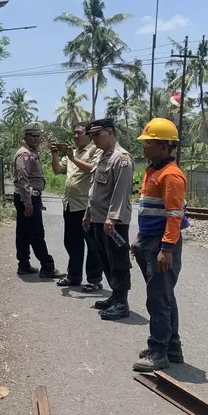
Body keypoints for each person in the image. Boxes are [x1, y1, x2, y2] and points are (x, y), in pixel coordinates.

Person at [132, 118, 189, 372]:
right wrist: (139, 239)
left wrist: (166, 249)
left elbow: (174, 215)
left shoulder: (172, 175)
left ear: (164, 146)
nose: (144, 147)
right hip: (150, 241)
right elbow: (148, 209)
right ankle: (171, 347)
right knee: (163, 296)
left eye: (149, 143)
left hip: (162, 245)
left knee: (158, 299)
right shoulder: (153, 170)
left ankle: (159, 350)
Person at [81, 120, 134, 320]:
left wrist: (112, 218)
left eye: (97, 135)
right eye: (92, 136)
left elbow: (121, 192)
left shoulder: (121, 159)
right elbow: (95, 189)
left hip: (113, 221)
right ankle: (114, 295)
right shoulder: (103, 156)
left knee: (118, 260)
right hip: (98, 218)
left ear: (110, 132)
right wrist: (88, 212)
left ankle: (122, 302)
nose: (94, 139)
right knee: (104, 258)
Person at [50, 122, 104, 292]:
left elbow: (93, 169)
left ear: (89, 135)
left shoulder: (95, 150)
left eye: (79, 133)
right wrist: (55, 154)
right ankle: (74, 276)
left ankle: (94, 279)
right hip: (70, 205)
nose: (76, 136)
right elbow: (58, 169)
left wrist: (73, 158)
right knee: (72, 242)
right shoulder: (71, 153)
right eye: (74, 133)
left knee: (92, 244)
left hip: (85, 206)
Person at [13, 123, 65, 278]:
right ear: (25, 137)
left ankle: (24, 264)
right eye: (32, 135)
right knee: (36, 232)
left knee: (23, 232)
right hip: (27, 197)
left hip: (28, 196)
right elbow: (22, 178)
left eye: (37, 135)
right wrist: (28, 202)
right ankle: (47, 266)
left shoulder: (31, 153)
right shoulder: (25, 155)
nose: (35, 138)